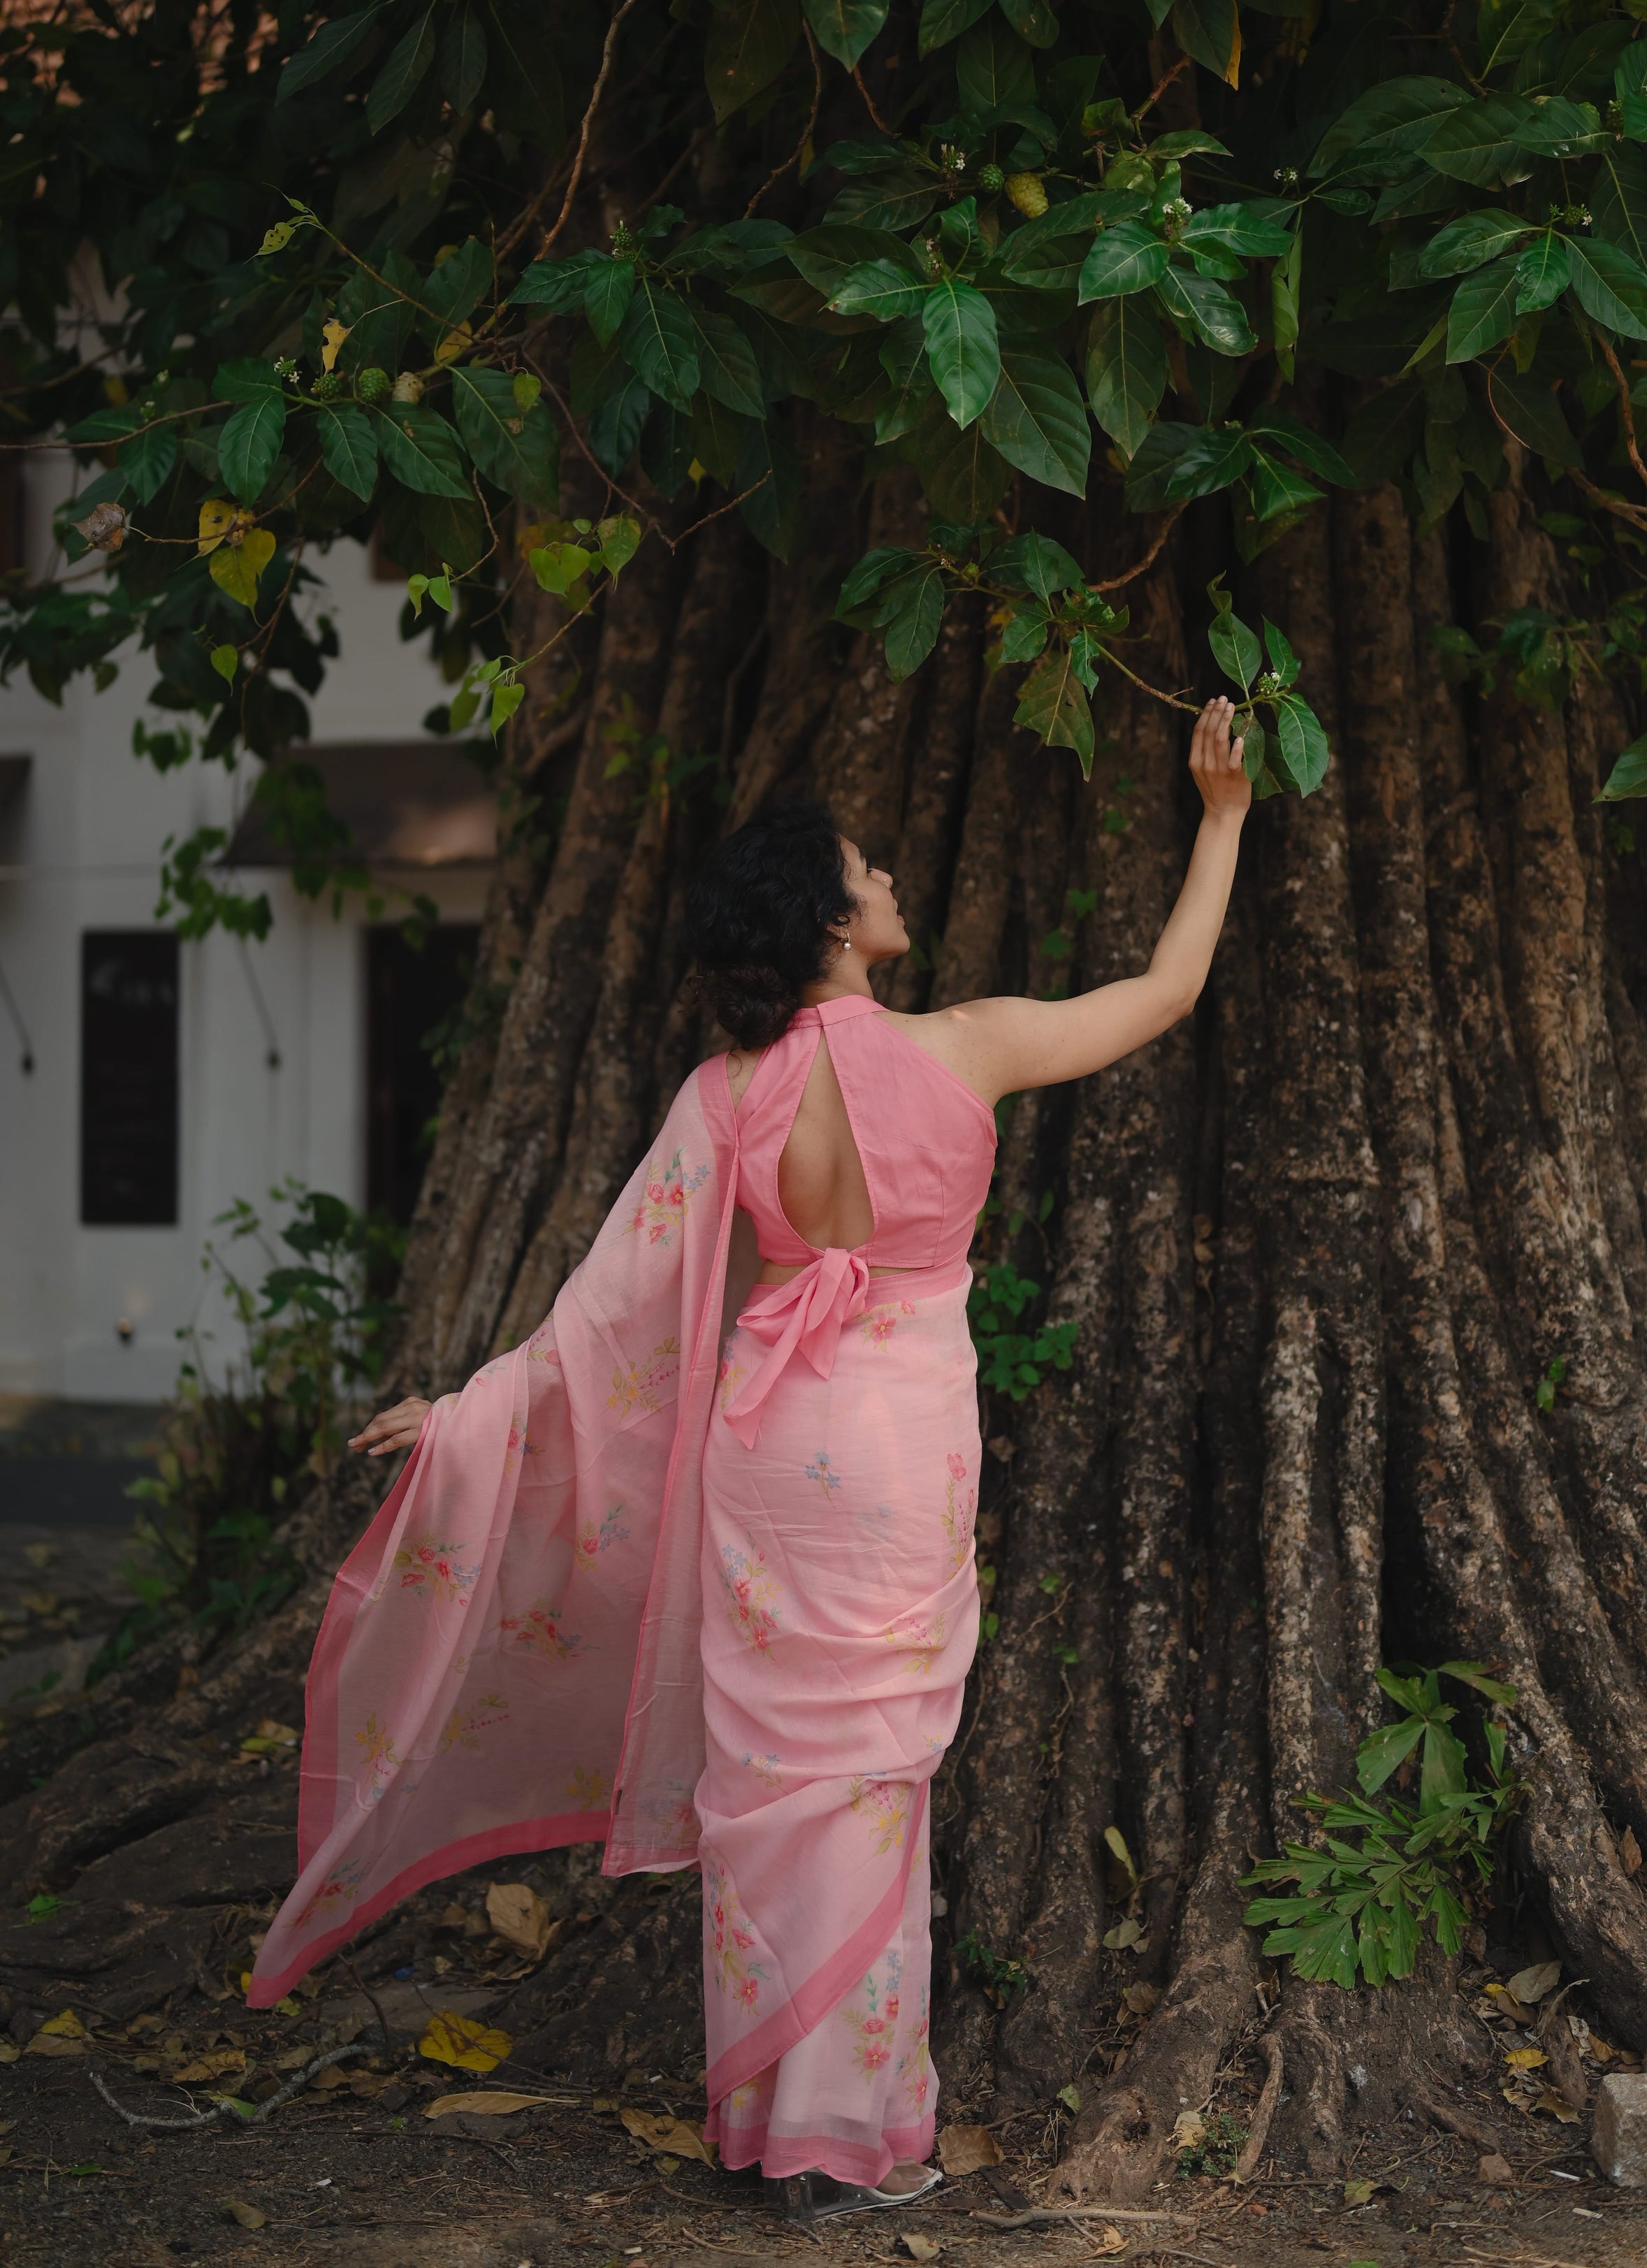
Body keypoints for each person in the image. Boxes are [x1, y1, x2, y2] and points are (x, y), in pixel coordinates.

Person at [246, 698, 1251, 2223]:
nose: (894, 877)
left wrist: (467, 1410)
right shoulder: (966, 1046)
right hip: (903, 1438)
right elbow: (1169, 990)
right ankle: (848, 2134)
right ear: (838, 922)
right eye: (871, 867)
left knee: (773, 1770)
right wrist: (1225, 814)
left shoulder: (726, 1097)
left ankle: (768, 2120)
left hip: (772, 1444)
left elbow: (604, 1318)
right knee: (870, 1778)